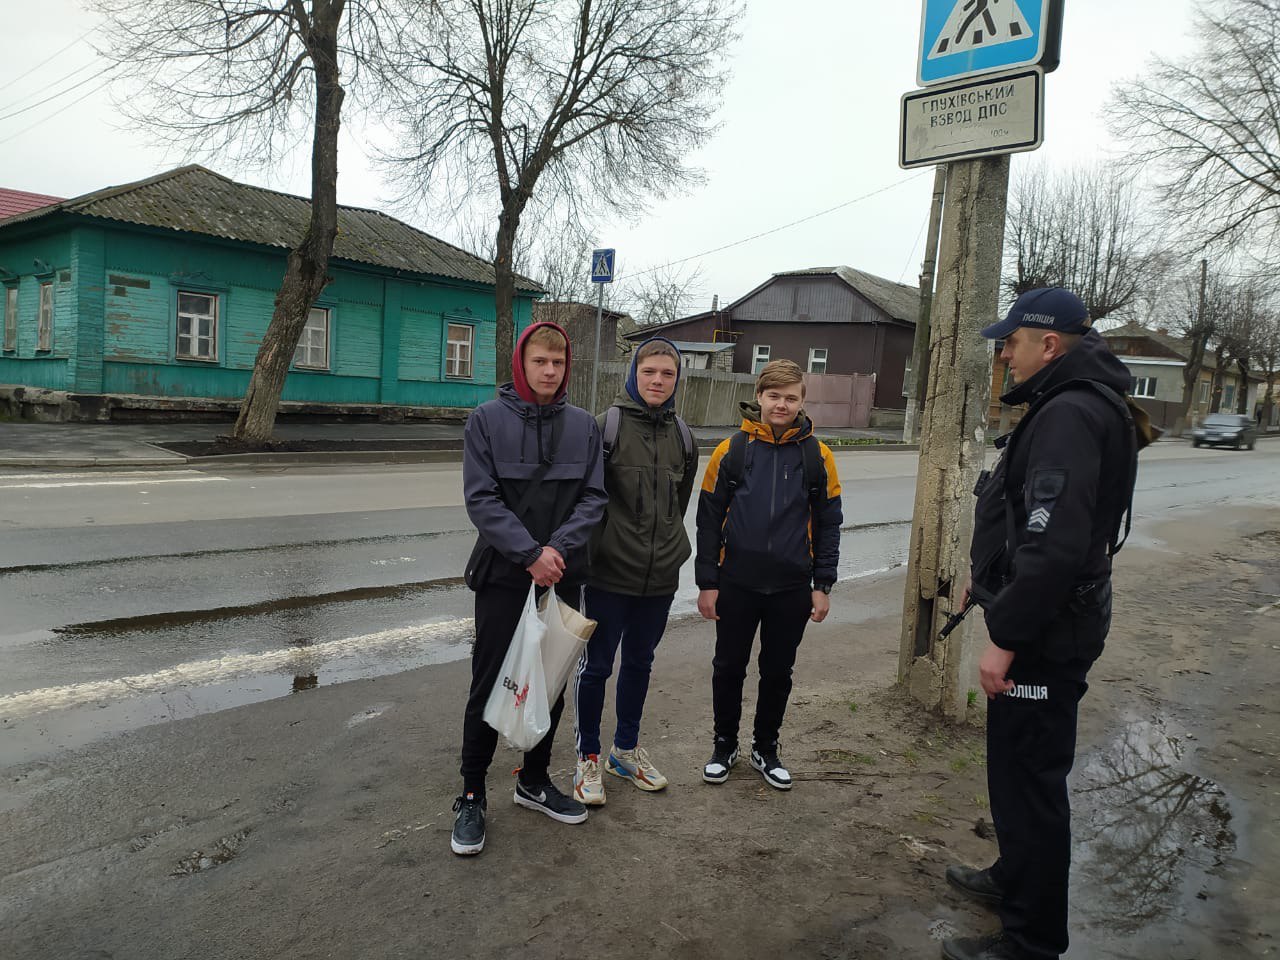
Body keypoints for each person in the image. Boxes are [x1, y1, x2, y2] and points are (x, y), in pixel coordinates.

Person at [943, 288, 1144, 960]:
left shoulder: (1069, 413)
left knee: (1030, 781)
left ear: (1049, 344)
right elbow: (1029, 518)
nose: (1005, 353)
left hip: (1045, 631)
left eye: (1012, 342)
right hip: (1049, 616)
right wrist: (987, 575)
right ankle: (1014, 877)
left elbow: (1054, 546)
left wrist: (1006, 639)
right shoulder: (1071, 401)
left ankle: (1030, 942)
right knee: (1015, 768)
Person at [450, 321, 607, 856]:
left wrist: (555, 551)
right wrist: (529, 554)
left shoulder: (583, 426)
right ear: (521, 363)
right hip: (503, 576)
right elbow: (481, 498)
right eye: (540, 361)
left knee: (550, 682)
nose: (549, 371)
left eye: (558, 363)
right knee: (489, 683)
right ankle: (472, 793)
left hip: (562, 574)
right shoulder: (486, 420)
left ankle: (533, 780)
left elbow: (594, 496)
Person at [694, 359, 843, 791]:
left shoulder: (818, 456)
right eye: (774, 396)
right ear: (758, 396)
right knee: (728, 667)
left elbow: (829, 523)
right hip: (736, 583)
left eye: (790, 398)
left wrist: (823, 585)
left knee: (778, 672)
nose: (781, 404)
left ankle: (766, 747)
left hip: (791, 587)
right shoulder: (731, 451)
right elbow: (708, 521)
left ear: (802, 401)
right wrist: (708, 583)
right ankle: (724, 745)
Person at [571, 337, 696, 805]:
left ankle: (624, 751)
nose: (658, 381)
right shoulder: (606, 427)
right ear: (633, 375)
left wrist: (667, 550)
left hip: (660, 577)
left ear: (676, 379)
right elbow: (587, 500)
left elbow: (679, 504)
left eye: (667, 374)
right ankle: (587, 757)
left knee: (640, 663)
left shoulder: (684, 436)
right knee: (597, 667)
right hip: (608, 575)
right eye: (649, 372)